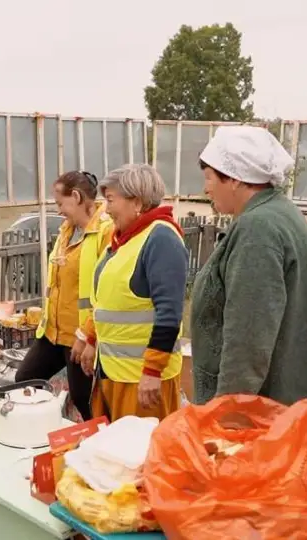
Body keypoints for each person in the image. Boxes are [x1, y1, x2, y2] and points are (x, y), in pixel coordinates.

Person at [190, 125, 307, 406]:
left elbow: (248, 337)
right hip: (282, 398)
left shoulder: (257, 228)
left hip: (263, 407)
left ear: (233, 179)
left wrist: (226, 413)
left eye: (209, 178)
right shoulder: (280, 211)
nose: (206, 188)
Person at [78, 164, 188, 422]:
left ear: (136, 202)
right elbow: (107, 299)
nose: (106, 209)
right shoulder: (122, 238)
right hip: (114, 372)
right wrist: (92, 339)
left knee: (141, 456)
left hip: (142, 382)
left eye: (111, 200)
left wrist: (152, 371)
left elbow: (169, 314)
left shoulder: (161, 239)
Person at [15, 171, 113, 422]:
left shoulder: (105, 231)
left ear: (77, 197)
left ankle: (102, 445)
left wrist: (89, 336)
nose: (58, 210)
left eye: (60, 203)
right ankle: (40, 428)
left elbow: (105, 290)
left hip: (79, 334)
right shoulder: (67, 230)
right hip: (53, 332)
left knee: (84, 399)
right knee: (24, 378)